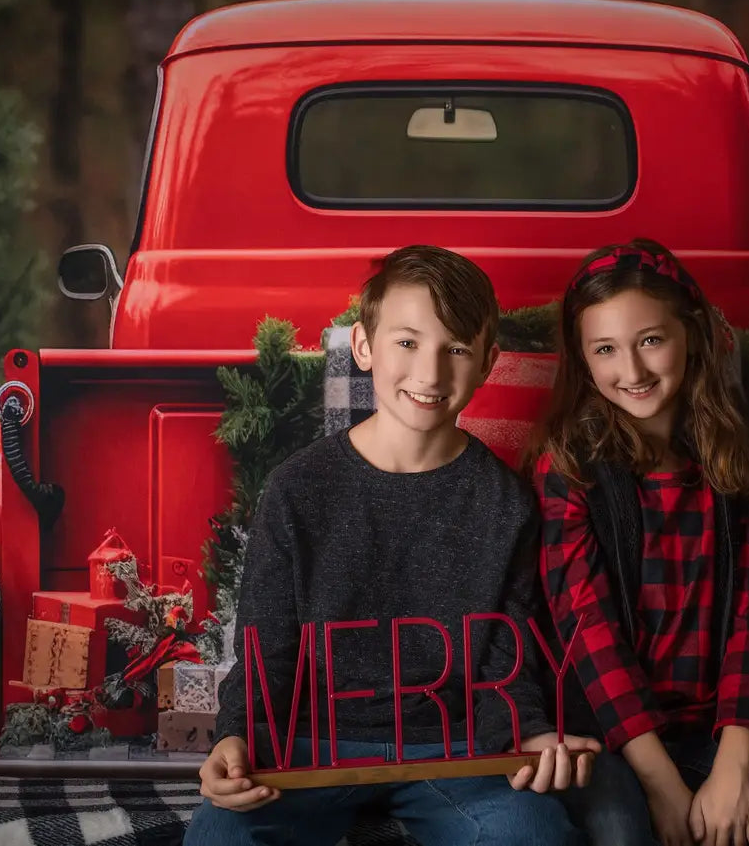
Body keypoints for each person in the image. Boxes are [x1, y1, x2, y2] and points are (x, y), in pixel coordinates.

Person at [185, 245, 599, 846]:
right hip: (307, 746)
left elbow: (504, 661)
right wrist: (235, 737)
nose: (430, 374)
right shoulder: (298, 489)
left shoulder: (505, 504)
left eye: (456, 349)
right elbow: (264, 644)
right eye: (407, 342)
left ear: (487, 362)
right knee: (221, 835)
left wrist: (529, 733)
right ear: (364, 347)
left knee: (535, 834)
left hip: (456, 751)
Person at [528, 240, 749, 846]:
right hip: (610, 734)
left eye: (650, 340)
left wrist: (734, 766)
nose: (633, 371)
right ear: (583, 360)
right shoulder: (569, 470)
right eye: (606, 350)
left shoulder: (726, 466)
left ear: (689, 333)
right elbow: (591, 639)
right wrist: (665, 786)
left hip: (716, 726)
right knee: (621, 834)